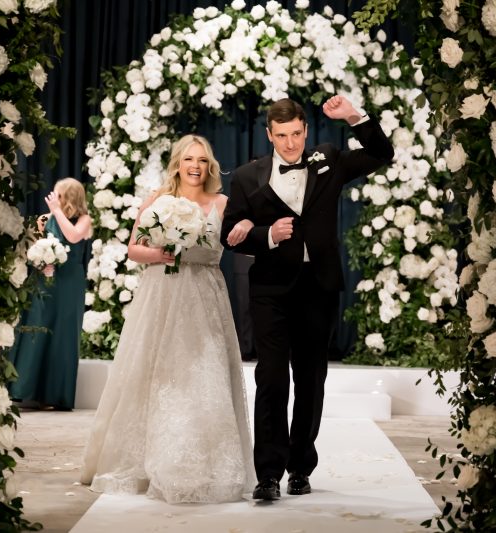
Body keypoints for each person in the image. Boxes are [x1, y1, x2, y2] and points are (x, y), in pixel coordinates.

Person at [220, 96, 394, 500]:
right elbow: (230, 233)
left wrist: (354, 116)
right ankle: (267, 474)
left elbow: (380, 153)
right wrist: (266, 235)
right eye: (282, 136)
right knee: (272, 377)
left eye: (297, 134)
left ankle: (300, 468)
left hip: (318, 287)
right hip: (269, 290)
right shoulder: (247, 176)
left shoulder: (328, 160)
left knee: (311, 379)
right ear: (269, 135)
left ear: (306, 130)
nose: (291, 143)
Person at [80, 134, 256, 503]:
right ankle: (146, 460)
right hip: (162, 293)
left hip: (206, 294)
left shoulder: (223, 203)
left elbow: (244, 236)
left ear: (209, 166)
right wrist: (159, 254)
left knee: (205, 375)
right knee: (157, 372)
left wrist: (248, 228)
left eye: (203, 160)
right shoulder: (158, 201)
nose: (196, 166)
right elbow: (133, 249)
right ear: (177, 163)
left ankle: (206, 463)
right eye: (189, 159)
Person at [9, 178, 92, 411]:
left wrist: (57, 212)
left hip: (70, 284)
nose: (52, 198)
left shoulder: (84, 220)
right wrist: (42, 262)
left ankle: (56, 395)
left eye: (57, 195)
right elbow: (33, 249)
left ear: (69, 197)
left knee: (63, 333)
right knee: (38, 327)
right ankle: (25, 390)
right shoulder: (44, 220)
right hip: (46, 281)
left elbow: (73, 236)